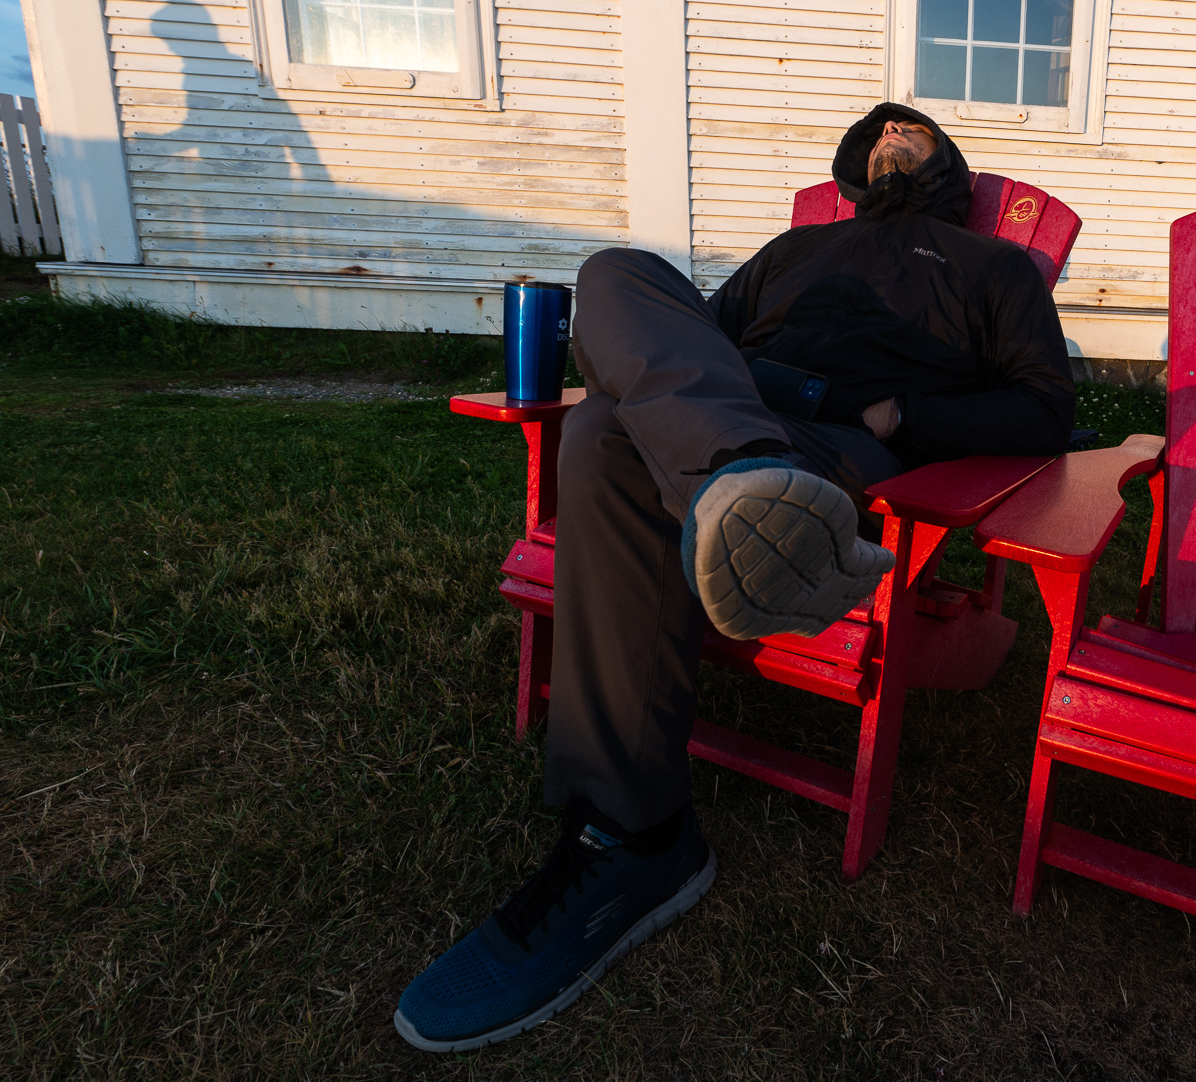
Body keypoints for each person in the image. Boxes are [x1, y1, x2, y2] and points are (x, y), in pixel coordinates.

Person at [393, 104, 1076, 1051]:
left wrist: (889, 415)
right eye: (875, 134)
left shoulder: (991, 268)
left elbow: (1045, 411)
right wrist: (774, 405)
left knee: (600, 434)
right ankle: (734, 489)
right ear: (849, 166)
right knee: (612, 277)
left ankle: (632, 831)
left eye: (911, 133)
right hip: (739, 430)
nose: (890, 138)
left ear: (951, 168)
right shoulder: (789, 255)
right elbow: (676, 350)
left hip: (840, 461)